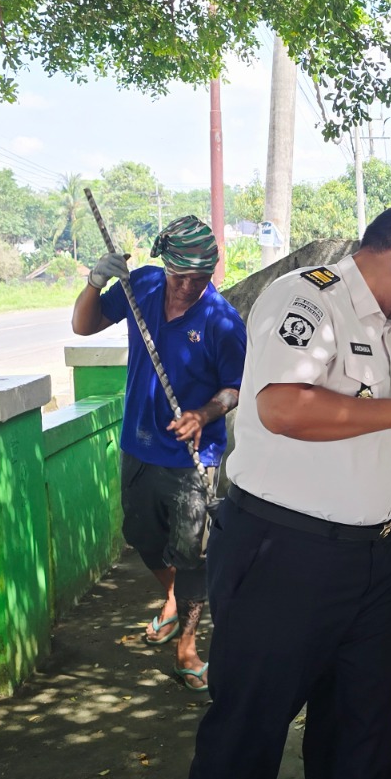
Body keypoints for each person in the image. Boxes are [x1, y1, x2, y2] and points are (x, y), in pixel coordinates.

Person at [176, 202, 391, 779]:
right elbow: (282, 408)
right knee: (247, 732)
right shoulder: (305, 299)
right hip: (284, 556)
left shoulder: (390, 335)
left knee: (362, 735)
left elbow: (388, 439)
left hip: (374, 563)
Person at [72, 216, 245, 690]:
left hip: (193, 458)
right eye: (180, 276)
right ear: (165, 266)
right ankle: (171, 596)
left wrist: (204, 413)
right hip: (138, 444)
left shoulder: (222, 321)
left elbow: (235, 388)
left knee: (192, 556)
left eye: (200, 278)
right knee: (141, 536)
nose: (189, 286)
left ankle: (186, 647)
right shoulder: (143, 286)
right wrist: (95, 282)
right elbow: (83, 326)